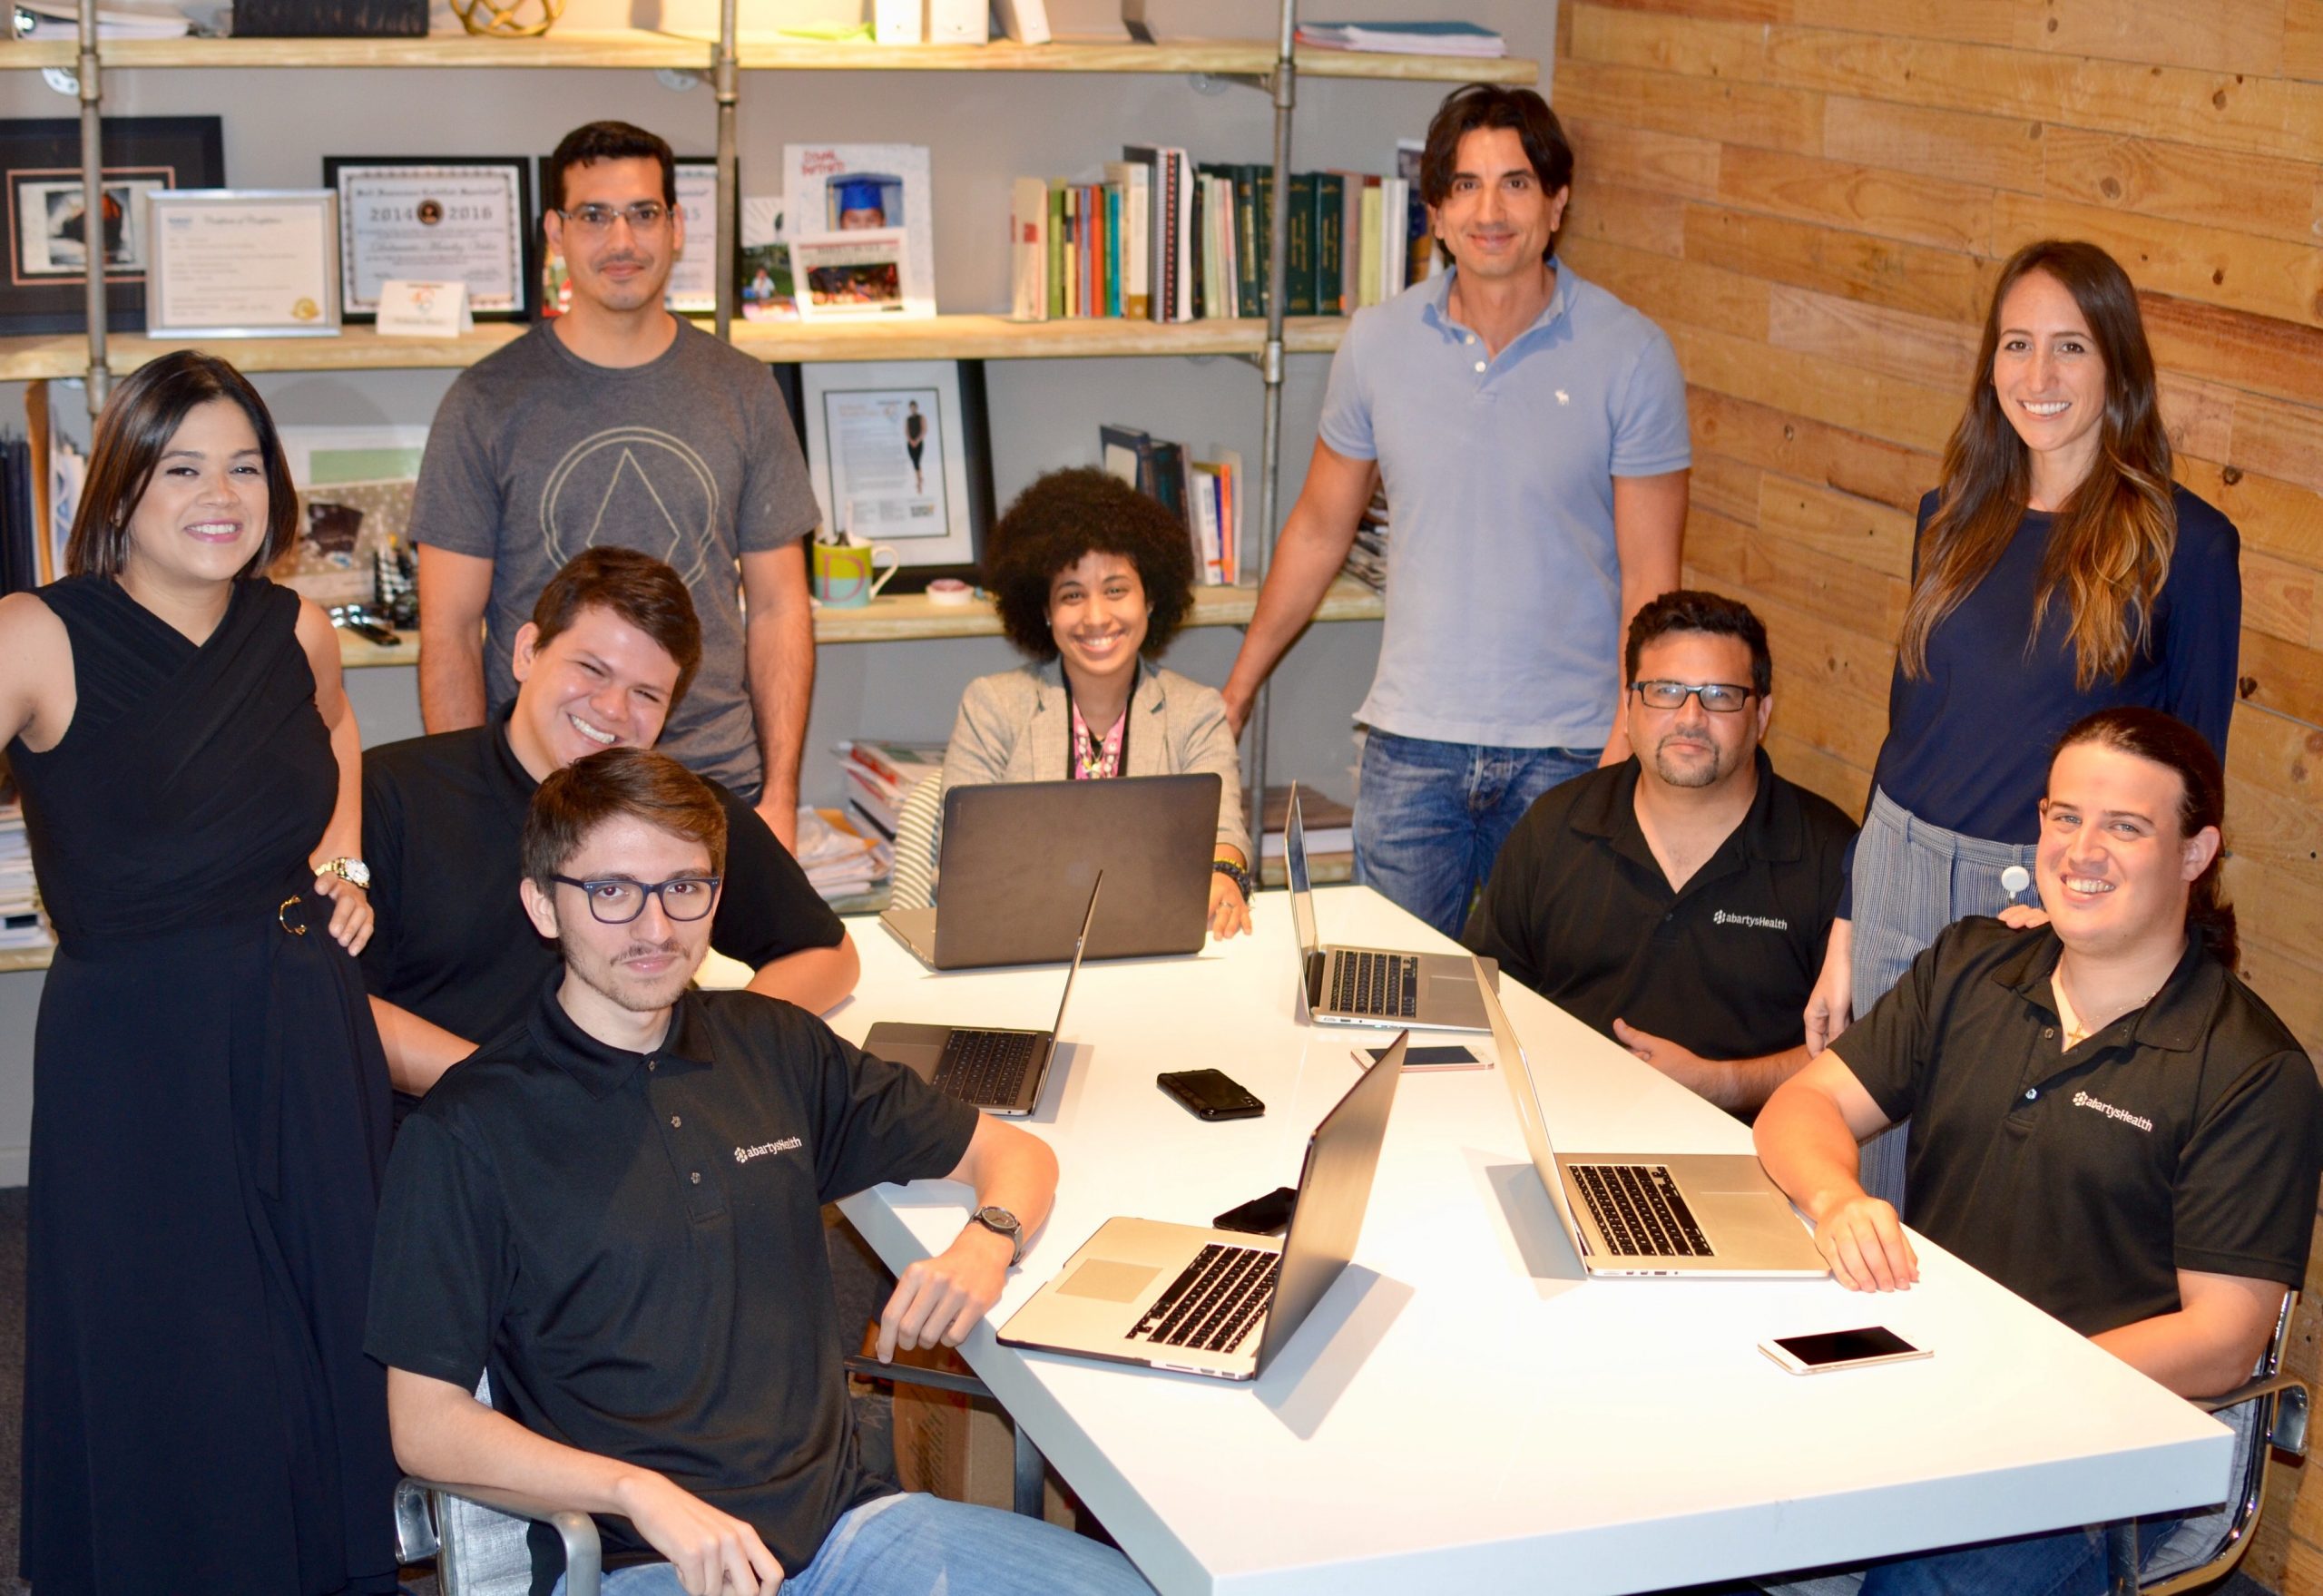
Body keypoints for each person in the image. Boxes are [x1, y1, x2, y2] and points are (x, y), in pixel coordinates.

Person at [366, 748, 1155, 1596]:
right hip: (647, 1566)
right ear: (542, 904)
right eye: (611, 891)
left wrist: (987, 1239)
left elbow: (1016, 1154)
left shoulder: (773, 1045)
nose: (656, 927)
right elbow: (425, 1426)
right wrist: (635, 1491)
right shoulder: (469, 1128)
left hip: (852, 1532)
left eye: (684, 886)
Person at [1753, 709, 2321, 1595]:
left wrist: (2006, 1377)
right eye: (2064, 817)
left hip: (2096, 1442)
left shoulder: (2250, 1071)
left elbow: (2220, 1341)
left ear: (2194, 852)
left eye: (2125, 826)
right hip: (1913, 1376)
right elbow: (1803, 1104)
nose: (2081, 850)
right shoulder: (1972, 965)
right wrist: (1838, 1199)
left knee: (1934, 1568)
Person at [1, 351, 397, 1593]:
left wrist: (349, 867)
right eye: (182, 466)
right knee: (172, 1353)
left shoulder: (299, 626)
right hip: (136, 1051)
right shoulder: (37, 632)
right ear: (120, 486)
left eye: (243, 466)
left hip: (300, 1021)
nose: (220, 493)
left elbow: (339, 733)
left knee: (322, 1346)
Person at [1800, 239, 2242, 1202]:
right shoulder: (1951, 514)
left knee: (1976, 1185)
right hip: (1896, 867)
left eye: (2070, 348)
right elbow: (1906, 725)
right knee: (1865, 1177)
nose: (2036, 377)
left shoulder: (2188, 545)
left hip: (2040, 893)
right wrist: (1846, 924)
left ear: (2118, 365)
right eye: (2014, 345)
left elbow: (2189, 777)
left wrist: (2081, 909)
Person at [1216, 82, 1691, 938]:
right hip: (1410, 748)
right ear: (1434, 212)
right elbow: (1321, 528)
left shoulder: (1633, 355)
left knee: (1554, 1018)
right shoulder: (1376, 343)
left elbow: (1651, 582)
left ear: (1558, 202)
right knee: (1384, 1005)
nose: (1490, 210)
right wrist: (1239, 686)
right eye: (1465, 186)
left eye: (1516, 182)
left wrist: (1627, 748)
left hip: (1571, 751)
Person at [412, 119, 822, 847]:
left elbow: (779, 607)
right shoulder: (484, 401)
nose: (623, 241)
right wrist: (468, 805)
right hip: (540, 792)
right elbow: (448, 629)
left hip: (714, 785)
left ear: (677, 226)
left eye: (643, 213)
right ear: (556, 231)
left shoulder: (745, 391)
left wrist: (782, 797)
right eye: (594, 216)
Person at [363, 546, 858, 1096]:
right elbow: (336, 1006)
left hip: (635, 1131)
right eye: (591, 669)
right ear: (528, 652)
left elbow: (827, 954)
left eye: (646, 694)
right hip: (443, 1132)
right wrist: (516, 1094)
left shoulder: (681, 816)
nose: (613, 709)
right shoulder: (392, 792)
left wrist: (716, 1044)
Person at [1464, 591, 1853, 1115]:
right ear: (1629, 707)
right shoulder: (1554, 828)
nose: (1690, 717)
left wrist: (1721, 1083)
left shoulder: (1832, 855)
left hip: (1751, 1164)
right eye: (1666, 690)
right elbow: (1485, 1000)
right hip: (1562, 1128)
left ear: (1761, 714)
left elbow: (1864, 1058)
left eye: (1719, 694)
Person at [941, 467, 1253, 938]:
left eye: (1115, 590)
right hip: (1021, 944)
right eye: (1072, 595)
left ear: (1149, 598)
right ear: (1045, 611)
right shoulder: (993, 707)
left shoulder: (1197, 712)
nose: (1096, 617)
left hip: (1154, 946)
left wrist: (1224, 874)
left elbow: (1225, 833)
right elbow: (965, 854)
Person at [905, 399, 926, 493]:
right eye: (911, 407)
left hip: (918, 443)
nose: (913, 409)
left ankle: (919, 484)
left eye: (914, 407)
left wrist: (917, 441)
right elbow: (906, 431)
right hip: (910, 444)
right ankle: (920, 479)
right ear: (910, 408)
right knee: (915, 462)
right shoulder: (908, 419)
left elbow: (924, 429)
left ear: (916, 408)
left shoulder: (921, 417)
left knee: (917, 462)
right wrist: (911, 441)